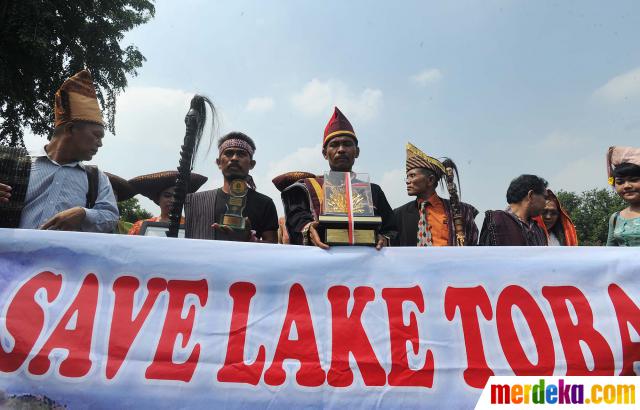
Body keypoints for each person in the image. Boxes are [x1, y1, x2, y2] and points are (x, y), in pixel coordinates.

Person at [0, 70, 118, 232]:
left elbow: (111, 217)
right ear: (70, 129)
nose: (100, 144)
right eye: (96, 135)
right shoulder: (8, 160)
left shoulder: (96, 179)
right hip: (8, 257)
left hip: (63, 258)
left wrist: (84, 214)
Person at [280, 107, 397, 249]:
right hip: (322, 264)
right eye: (334, 145)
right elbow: (296, 220)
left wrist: (383, 238)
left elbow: (392, 229)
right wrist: (310, 229)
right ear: (324, 153)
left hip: (365, 265)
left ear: (357, 152)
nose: (341, 149)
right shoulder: (306, 188)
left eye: (347, 144)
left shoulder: (374, 190)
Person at [184, 132, 278, 243]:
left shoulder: (264, 203)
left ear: (251, 164)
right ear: (219, 163)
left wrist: (249, 239)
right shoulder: (196, 202)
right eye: (228, 153)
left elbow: (272, 246)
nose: (234, 158)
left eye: (241, 154)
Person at [393, 143, 478, 246]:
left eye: (412, 176)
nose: (407, 181)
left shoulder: (461, 211)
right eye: (407, 177)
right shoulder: (398, 215)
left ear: (430, 180)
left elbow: (473, 249)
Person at [128, 171, 207, 235]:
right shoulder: (140, 226)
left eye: (177, 196)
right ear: (158, 199)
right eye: (167, 196)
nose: (173, 200)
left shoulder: (194, 227)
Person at [479, 174, 548, 246]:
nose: (546, 204)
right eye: (545, 198)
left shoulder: (539, 230)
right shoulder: (495, 223)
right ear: (530, 195)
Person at [606, 146, 640, 246]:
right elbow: (609, 253)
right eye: (620, 182)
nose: (627, 186)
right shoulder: (616, 218)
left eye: (634, 180)